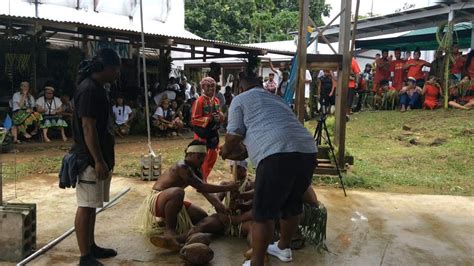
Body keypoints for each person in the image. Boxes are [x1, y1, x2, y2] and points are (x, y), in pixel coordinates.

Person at [221, 72, 317, 266]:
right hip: (307, 151)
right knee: (291, 204)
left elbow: (233, 137)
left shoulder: (239, 100)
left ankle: (256, 263)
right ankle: (283, 248)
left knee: (263, 213)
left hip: (277, 154)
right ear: (261, 85)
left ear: (240, 88)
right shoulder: (276, 99)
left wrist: (224, 151)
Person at [70, 48, 121, 266]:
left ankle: (90, 246)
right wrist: (98, 160)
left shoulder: (98, 87)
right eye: (116, 69)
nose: (118, 73)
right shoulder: (89, 89)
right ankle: (84, 257)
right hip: (89, 158)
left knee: (92, 205)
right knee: (85, 205)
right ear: (108, 68)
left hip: (98, 156)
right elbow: (88, 127)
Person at [137, 140, 237, 251]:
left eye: (204, 157)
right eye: (199, 157)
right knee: (178, 192)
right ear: (189, 154)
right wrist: (228, 187)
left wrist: (222, 209)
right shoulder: (182, 167)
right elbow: (202, 186)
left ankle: (165, 223)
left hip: (173, 202)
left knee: (202, 217)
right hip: (157, 202)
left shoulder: (197, 171)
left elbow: (206, 192)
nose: (202, 160)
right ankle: (169, 232)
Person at [191, 77, 224, 182]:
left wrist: (221, 117)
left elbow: (219, 115)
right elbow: (194, 119)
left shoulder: (216, 100)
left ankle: (204, 177)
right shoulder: (199, 101)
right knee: (202, 157)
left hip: (213, 132)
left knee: (212, 157)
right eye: (208, 86)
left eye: (213, 86)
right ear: (203, 87)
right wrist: (208, 119)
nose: (211, 88)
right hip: (202, 134)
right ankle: (201, 179)